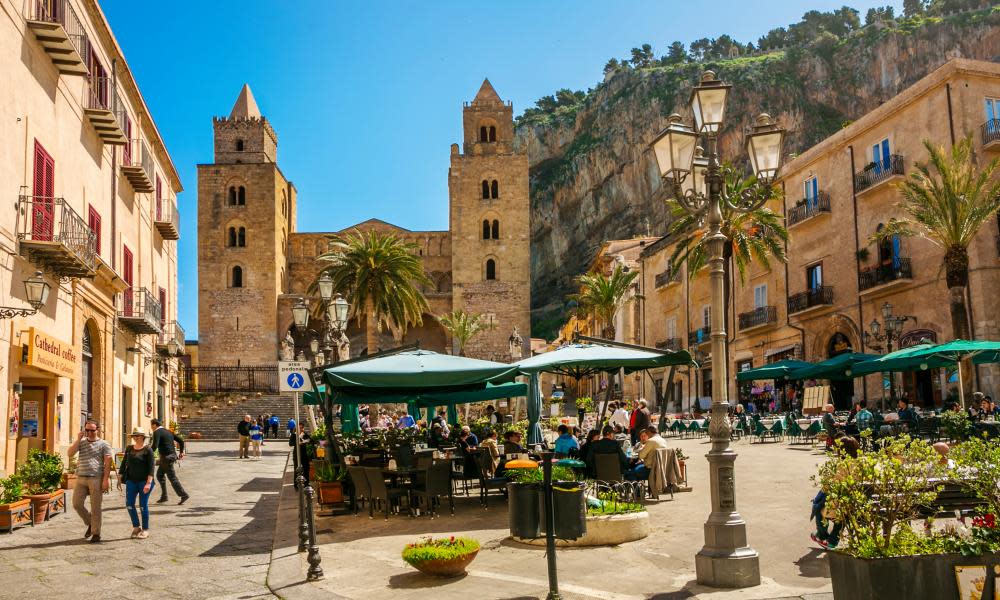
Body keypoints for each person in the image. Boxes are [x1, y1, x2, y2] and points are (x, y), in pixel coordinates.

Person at [67, 419, 113, 543]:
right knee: (77, 504)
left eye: (92, 430)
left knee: (96, 507)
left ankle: (96, 533)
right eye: (87, 430)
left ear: (97, 430)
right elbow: (70, 453)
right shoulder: (81, 443)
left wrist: (105, 480)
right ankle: (91, 523)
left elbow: (108, 463)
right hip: (81, 477)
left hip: (96, 478)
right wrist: (78, 439)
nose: (89, 432)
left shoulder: (104, 444)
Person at [118, 427, 155, 539]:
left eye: (137, 435)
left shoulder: (148, 449)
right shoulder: (129, 448)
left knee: (143, 505)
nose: (135, 437)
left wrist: (148, 483)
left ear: (143, 437)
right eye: (134, 436)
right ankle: (136, 527)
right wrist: (120, 478)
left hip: (144, 481)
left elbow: (151, 467)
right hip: (131, 481)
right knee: (129, 504)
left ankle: (145, 529)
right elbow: (124, 463)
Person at [150, 419, 189, 505]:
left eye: (151, 425)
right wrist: (181, 452)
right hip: (170, 457)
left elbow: (154, 446)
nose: (151, 428)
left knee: (172, 477)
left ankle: (183, 495)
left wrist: (146, 452)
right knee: (160, 475)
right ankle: (164, 496)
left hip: (166, 458)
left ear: (154, 425)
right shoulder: (168, 431)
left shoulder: (157, 432)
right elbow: (181, 441)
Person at [289, 424, 312, 489]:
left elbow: (311, 440)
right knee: (296, 468)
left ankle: (306, 483)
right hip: (296, 453)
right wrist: (298, 442)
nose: (301, 429)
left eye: (302, 428)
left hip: (304, 453)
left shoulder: (305, 434)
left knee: (306, 468)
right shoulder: (294, 435)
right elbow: (290, 443)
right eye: (300, 428)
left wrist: (306, 441)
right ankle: (296, 484)